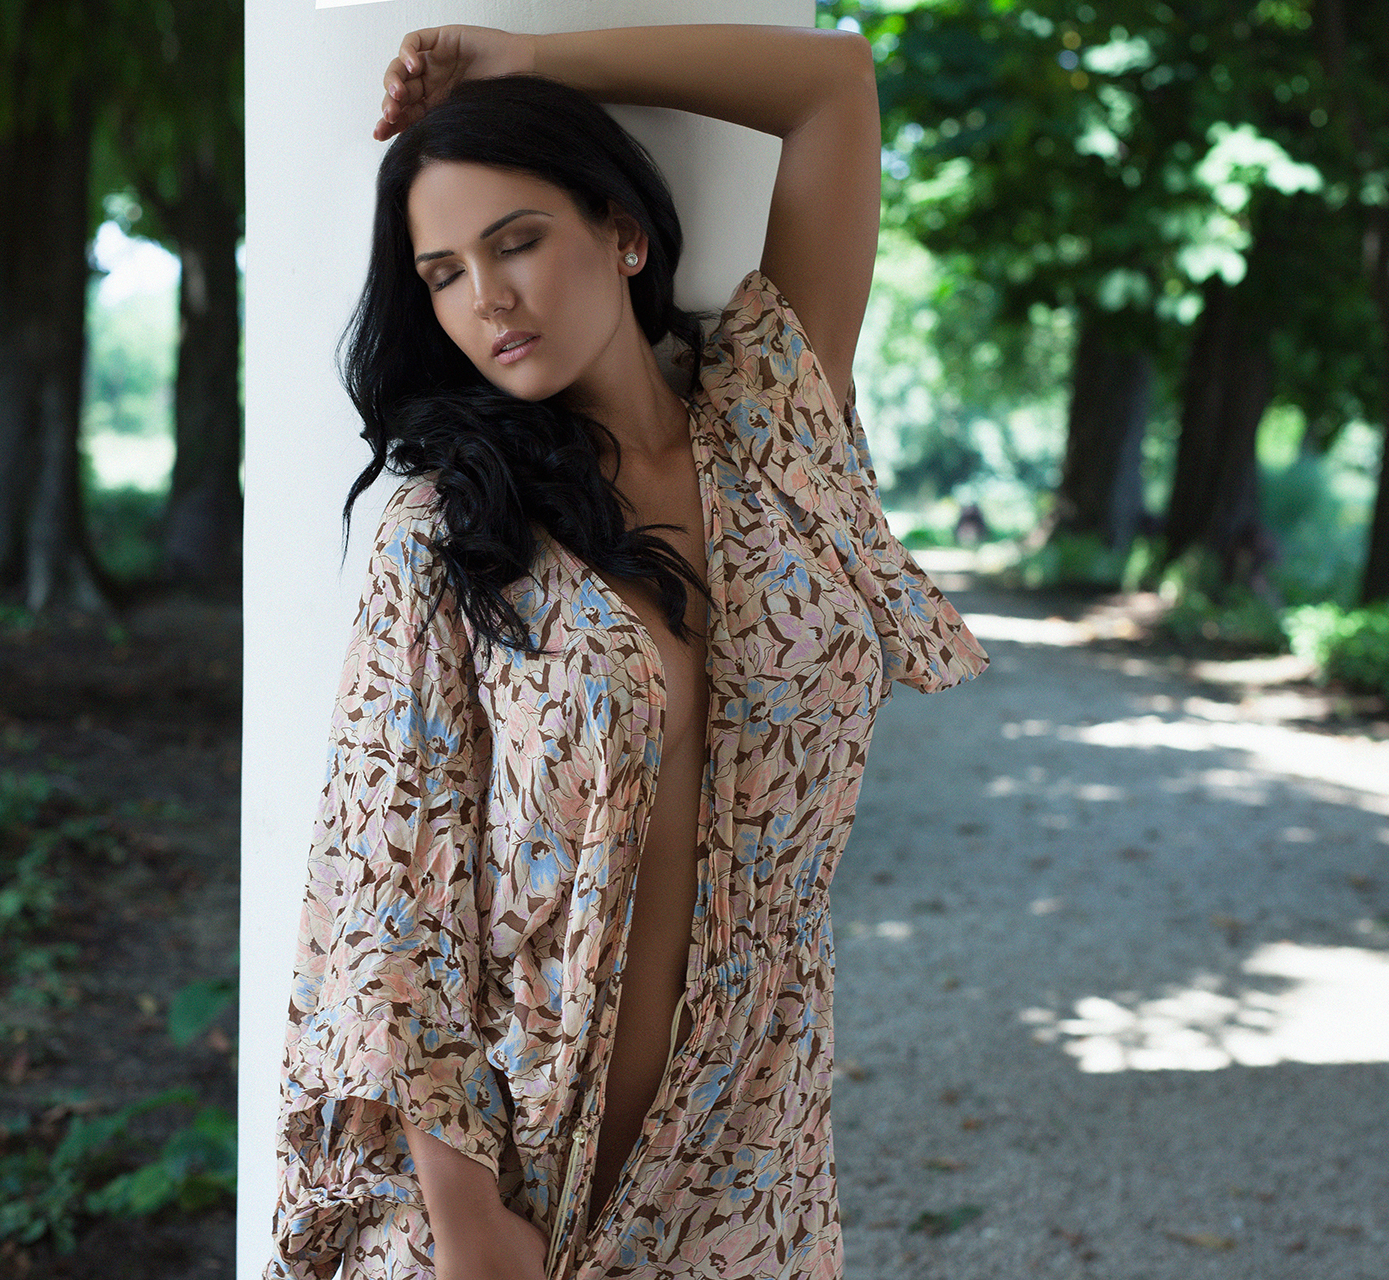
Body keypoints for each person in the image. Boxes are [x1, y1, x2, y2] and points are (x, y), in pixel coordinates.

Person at [269, 22, 989, 1280]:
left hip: (751, 1149)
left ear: (623, 232)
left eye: (517, 241)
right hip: (506, 1171)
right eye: (442, 273)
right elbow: (390, 895)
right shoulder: (452, 530)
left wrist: (530, 62)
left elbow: (832, 85)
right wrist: (467, 1221)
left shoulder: (775, 428)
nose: (486, 299)